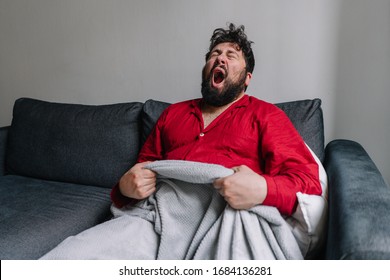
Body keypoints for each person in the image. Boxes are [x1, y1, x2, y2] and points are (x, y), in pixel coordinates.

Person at [111, 23, 321, 216]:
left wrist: (263, 189)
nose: (220, 59)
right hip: (158, 213)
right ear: (206, 69)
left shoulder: (267, 116)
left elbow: (309, 182)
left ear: (247, 77)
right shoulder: (172, 114)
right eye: (215, 54)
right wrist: (124, 188)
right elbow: (141, 171)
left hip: (225, 217)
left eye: (231, 56)